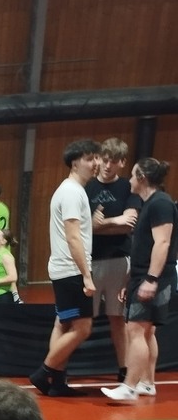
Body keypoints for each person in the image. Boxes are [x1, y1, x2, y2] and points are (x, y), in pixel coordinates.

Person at [102, 158, 178, 403]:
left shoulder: (160, 204)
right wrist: (130, 279)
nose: (130, 180)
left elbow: (162, 242)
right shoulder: (151, 204)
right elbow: (144, 247)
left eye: (133, 175)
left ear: (143, 178)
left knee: (135, 329)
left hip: (153, 277)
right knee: (146, 331)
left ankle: (129, 386)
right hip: (143, 275)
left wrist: (151, 279)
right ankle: (147, 383)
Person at [29, 140, 100, 397]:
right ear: (75, 162)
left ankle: (57, 382)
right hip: (71, 271)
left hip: (64, 270)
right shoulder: (71, 192)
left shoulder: (72, 190)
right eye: (90, 158)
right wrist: (86, 275)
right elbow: (73, 237)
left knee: (64, 324)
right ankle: (44, 372)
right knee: (83, 328)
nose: (96, 163)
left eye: (96, 158)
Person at [86, 138, 141, 382]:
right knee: (81, 319)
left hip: (119, 260)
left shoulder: (127, 188)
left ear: (122, 163)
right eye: (105, 160)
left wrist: (100, 224)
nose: (108, 166)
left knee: (117, 318)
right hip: (90, 260)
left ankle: (124, 370)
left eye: (113, 161)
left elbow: (128, 224)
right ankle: (60, 370)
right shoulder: (87, 187)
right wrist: (113, 221)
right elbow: (83, 228)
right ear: (99, 159)